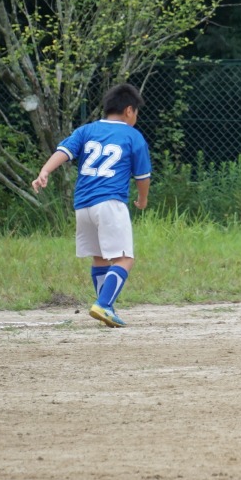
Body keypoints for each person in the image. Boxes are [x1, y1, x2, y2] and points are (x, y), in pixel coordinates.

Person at [32, 83, 151, 327]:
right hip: (110, 203)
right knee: (124, 258)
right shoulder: (132, 136)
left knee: (99, 258)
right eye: (136, 112)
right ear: (129, 110)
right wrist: (143, 199)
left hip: (83, 205)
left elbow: (64, 151)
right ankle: (104, 305)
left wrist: (45, 171)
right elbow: (142, 177)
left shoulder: (86, 130)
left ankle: (105, 307)